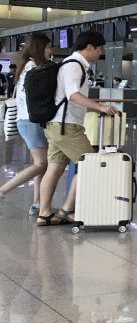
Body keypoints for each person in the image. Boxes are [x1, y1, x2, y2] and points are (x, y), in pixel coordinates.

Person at [36, 30, 118, 227]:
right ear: (90, 47)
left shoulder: (71, 64)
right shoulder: (74, 65)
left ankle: (44, 213)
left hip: (57, 125)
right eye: (99, 49)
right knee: (90, 166)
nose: (100, 53)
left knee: (54, 168)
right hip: (67, 127)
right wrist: (99, 106)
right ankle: (66, 210)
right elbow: (73, 94)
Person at [0, 34, 52, 215]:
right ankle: (2, 190)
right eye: (47, 47)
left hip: (26, 120)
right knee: (41, 164)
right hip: (31, 121)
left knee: (40, 164)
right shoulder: (33, 68)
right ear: (39, 48)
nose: (50, 51)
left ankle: (37, 203)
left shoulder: (26, 66)